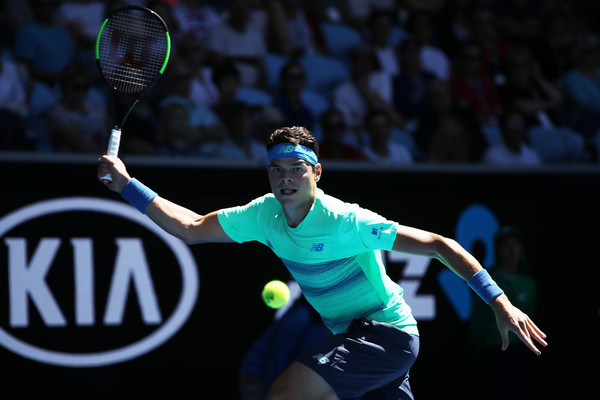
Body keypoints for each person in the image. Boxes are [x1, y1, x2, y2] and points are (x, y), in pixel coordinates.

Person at [97, 125, 547, 399]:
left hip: (386, 334)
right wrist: (128, 187)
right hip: (353, 335)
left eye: (297, 167)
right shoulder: (262, 214)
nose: (286, 177)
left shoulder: (345, 221)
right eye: (277, 169)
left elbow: (436, 243)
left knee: (285, 393)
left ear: (316, 173)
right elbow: (191, 227)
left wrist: (498, 300)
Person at [469, 226, 539, 400]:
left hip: (524, 354)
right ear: (498, 250)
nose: (512, 250)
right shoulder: (487, 283)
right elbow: (478, 321)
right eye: (506, 245)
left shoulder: (529, 284)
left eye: (515, 244)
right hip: (496, 353)